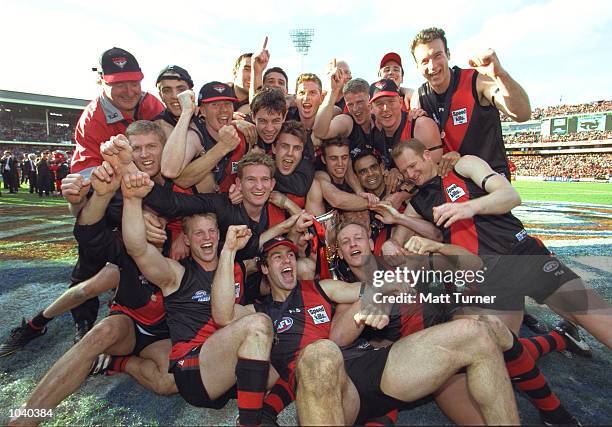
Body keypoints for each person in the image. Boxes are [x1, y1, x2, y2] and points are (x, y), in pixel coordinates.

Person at [392, 139, 611, 424]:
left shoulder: (463, 164)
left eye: (413, 164)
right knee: (493, 355)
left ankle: (562, 340)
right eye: (404, 170)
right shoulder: (419, 201)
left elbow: (510, 196)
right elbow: (399, 237)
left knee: (598, 318)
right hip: (488, 278)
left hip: (523, 255)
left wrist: (470, 207)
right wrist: (394, 226)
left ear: (427, 154)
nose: (411, 172)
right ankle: (554, 405)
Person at [212, 234, 519, 425]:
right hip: (328, 389)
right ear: (265, 268)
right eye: (277, 257)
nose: (286, 260)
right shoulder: (260, 314)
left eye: (290, 255)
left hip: (372, 367)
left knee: (476, 333)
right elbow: (224, 315)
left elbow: (370, 287)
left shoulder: (320, 287)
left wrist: (379, 298)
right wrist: (227, 252)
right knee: (322, 352)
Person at [121, 174, 273, 423]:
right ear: (187, 240)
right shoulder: (176, 274)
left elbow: (265, 260)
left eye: (212, 231)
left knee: (288, 346)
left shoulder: (235, 266)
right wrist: (130, 199)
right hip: (193, 370)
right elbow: (138, 248)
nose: (207, 238)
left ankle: (269, 410)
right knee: (258, 324)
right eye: (199, 234)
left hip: (225, 367)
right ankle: (250, 421)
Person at [409, 27, 531, 178]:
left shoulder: (477, 81)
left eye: (437, 55)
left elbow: (522, 114)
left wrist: (500, 74)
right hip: (452, 184)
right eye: (424, 61)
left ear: (448, 54)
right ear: (417, 66)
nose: (432, 66)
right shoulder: (419, 97)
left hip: (490, 180)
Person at [71, 47, 164, 175]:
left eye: (134, 84)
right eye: (119, 85)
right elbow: (85, 176)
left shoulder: (151, 104)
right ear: (100, 81)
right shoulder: (92, 121)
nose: (130, 92)